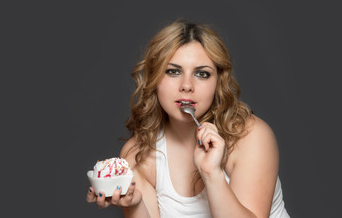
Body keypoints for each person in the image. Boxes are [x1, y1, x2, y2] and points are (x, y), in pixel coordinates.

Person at [86, 19, 290, 218]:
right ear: (154, 78)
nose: (186, 85)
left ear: (218, 82)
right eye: (173, 71)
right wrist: (134, 204)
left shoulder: (250, 136)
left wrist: (212, 174)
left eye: (202, 74)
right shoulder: (137, 154)